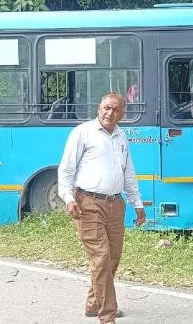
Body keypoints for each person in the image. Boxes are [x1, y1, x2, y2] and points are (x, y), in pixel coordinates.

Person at [57, 93, 146, 324]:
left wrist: (137, 204)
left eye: (116, 110)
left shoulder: (121, 136)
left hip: (115, 205)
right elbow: (66, 170)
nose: (110, 113)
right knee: (101, 257)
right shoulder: (83, 132)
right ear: (99, 108)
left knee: (112, 258)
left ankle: (93, 303)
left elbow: (128, 173)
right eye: (107, 108)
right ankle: (107, 316)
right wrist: (69, 199)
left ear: (122, 114)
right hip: (88, 203)